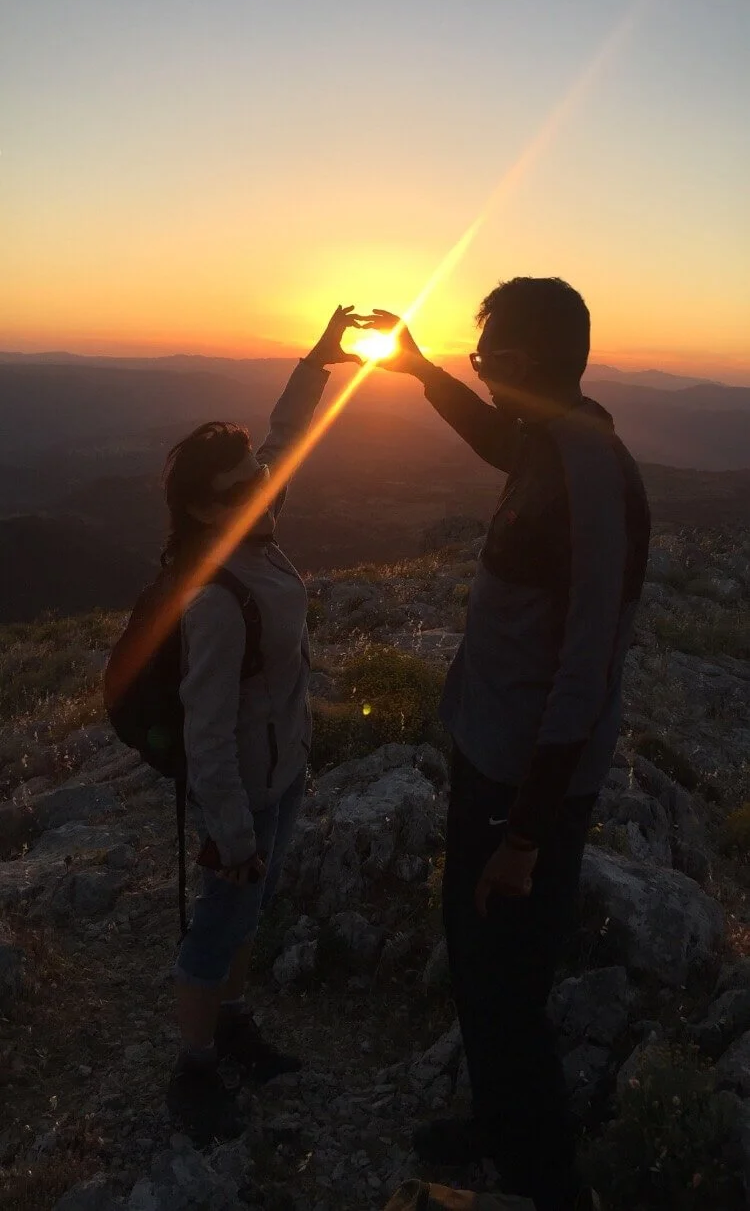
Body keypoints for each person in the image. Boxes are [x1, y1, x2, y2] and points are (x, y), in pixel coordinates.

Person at [368, 279, 650, 1211]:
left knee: (510, 988)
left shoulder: (591, 468)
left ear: (526, 363)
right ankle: (496, 1125)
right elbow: (497, 444)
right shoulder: (545, 438)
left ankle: (544, 1181)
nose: (482, 373)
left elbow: (586, 669)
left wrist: (527, 836)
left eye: (489, 359)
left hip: (522, 785)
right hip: (486, 754)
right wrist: (421, 373)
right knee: (477, 958)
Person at [163, 305, 365, 1144]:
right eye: (241, 483)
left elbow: (286, 432)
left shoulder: (256, 524)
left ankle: (235, 1022)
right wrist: (234, 829)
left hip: (283, 772)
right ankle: (194, 1065)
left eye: (255, 473)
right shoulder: (214, 597)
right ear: (206, 511)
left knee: (247, 915)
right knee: (220, 920)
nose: (260, 483)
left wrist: (319, 359)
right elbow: (204, 731)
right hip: (244, 788)